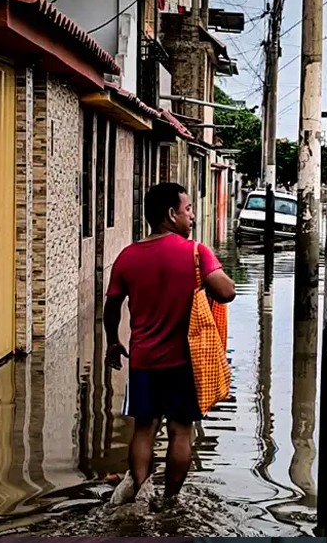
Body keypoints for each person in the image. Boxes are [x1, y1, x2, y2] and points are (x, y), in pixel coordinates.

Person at [103, 182, 236, 503]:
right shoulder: (196, 253)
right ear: (171, 214)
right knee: (180, 430)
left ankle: (139, 496)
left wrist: (113, 342)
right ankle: (170, 500)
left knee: (143, 429)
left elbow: (111, 307)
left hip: (143, 361)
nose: (192, 216)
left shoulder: (127, 256)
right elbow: (227, 292)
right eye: (188, 209)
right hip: (184, 362)